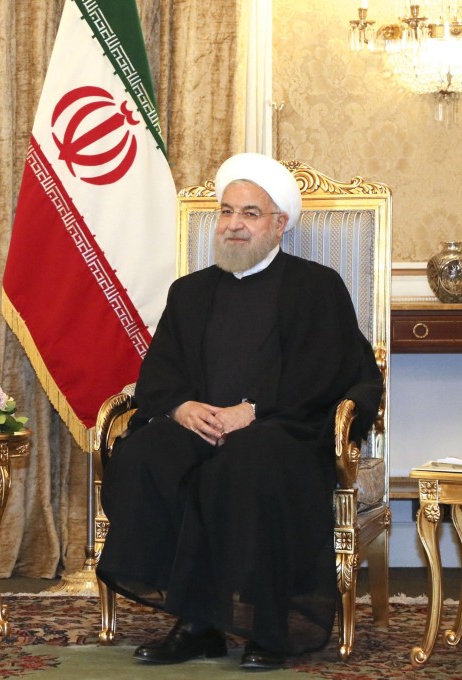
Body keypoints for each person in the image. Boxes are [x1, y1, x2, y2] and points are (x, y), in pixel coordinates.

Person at [95, 153, 383, 671]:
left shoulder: (316, 287)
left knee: (248, 464)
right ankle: (197, 623)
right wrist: (182, 408)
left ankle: (266, 628)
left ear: (279, 225)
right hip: (199, 427)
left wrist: (253, 411)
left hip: (283, 431)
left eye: (249, 213)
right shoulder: (190, 292)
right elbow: (159, 373)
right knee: (147, 456)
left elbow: (331, 374)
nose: (233, 224)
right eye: (226, 211)